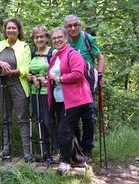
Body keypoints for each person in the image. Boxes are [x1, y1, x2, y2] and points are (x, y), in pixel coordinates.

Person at [47, 27, 93, 174]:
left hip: (75, 99)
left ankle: (65, 162)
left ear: (66, 38)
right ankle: (77, 158)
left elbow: (78, 74)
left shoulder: (73, 54)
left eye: (60, 37)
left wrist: (60, 78)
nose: (57, 40)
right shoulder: (55, 56)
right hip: (61, 99)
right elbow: (53, 76)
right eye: (54, 38)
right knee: (71, 130)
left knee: (63, 130)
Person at [0, 18, 31, 162]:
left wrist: (12, 72)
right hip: (1, 85)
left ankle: (27, 152)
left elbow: (26, 68)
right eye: (8, 28)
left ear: (18, 31)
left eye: (14, 28)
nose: (11, 30)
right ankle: (5, 150)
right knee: (5, 119)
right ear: (5, 30)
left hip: (18, 85)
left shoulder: (24, 46)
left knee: (22, 118)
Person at [64, 14, 105, 162]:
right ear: (66, 29)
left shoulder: (87, 39)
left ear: (80, 25)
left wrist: (100, 74)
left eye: (76, 25)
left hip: (87, 87)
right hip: (70, 88)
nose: (73, 28)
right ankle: (78, 149)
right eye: (69, 26)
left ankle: (87, 151)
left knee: (88, 120)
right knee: (72, 120)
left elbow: (100, 57)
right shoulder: (64, 42)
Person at [27, 25, 56, 160]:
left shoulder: (53, 52)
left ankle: (56, 151)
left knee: (49, 122)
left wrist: (47, 80)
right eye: (37, 37)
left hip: (49, 92)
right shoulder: (32, 53)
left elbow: (59, 71)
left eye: (42, 36)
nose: (39, 39)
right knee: (39, 121)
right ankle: (44, 152)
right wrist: (31, 76)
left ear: (47, 38)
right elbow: (29, 71)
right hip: (35, 91)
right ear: (33, 39)